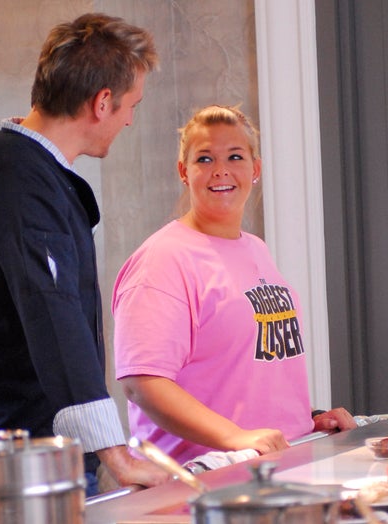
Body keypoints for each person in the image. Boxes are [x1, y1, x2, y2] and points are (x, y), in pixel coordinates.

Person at [0, 12, 169, 496]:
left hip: (40, 448)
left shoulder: (23, 169)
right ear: (102, 102)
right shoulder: (17, 176)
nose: (130, 118)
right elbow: (53, 312)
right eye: (132, 105)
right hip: (20, 456)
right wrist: (116, 455)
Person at [112, 105, 357, 465]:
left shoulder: (255, 248)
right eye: (205, 159)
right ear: (184, 172)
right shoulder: (162, 260)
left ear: (255, 169)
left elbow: (253, 369)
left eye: (235, 156)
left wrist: (309, 420)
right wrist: (235, 438)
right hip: (202, 485)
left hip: (276, 466)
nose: (221, 170)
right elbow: (143, 383)